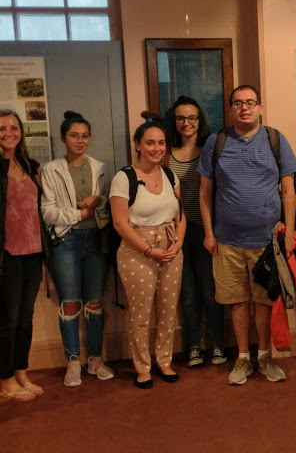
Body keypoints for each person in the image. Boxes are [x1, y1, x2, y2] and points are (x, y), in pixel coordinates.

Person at [198, 84, 296, 385]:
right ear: (231, 109)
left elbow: (289, 188)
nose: (245, 107)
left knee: (264, 302)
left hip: (268, 242)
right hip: (226, 241)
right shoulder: (216, 142)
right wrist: (208, 232)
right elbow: (204, 192)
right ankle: (243, 358)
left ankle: (265, 356)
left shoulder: (275, 140)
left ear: (260, 108)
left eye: (251, 102)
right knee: (237, 302)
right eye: (238, 103)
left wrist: (289, 233)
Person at [110, 112, 185, 389]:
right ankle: (142, 366)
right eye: (151, 143)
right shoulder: (124, 178)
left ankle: (164, 360)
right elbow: (120, 223)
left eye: (162, 143)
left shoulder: (170, 174)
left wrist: (178, 242)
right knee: (141, 312)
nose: (157, 149)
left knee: (167, 308)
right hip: (137, 249)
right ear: (138, 145)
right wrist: (148, 250)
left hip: (170, 246)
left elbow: (181, 215)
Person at [41, 111, 113, 387]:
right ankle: (73, 361)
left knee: (94, 302)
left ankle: (95, 359)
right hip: (66, 241)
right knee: (69, 303)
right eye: (74, 135)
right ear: (63, 138)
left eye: (84, 136)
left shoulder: (99, 166)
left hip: (95, 240)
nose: (80, 141)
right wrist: (81, 214)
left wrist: (97, 200)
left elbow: (106, 203)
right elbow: (49, 213)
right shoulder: (51, 169)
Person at [166, 96, 226, 367]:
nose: (186, 123)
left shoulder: (211, 149)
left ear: (199, 120)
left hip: (205, 228)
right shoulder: (165, 151)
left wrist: (212, 230)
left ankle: (217, 345)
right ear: (174, 121)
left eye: (192, 118)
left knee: (210, 290)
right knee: (187, 293)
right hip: (176, 232)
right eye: (181, 118)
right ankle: (193, 346)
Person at [0, 109, 50, 401]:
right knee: (6, 320)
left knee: (25, 318)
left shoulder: (29, 165)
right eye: (2, 128)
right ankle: (6, 381)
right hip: (6, 256)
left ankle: (21, 373)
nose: (8, 133)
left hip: (34, 253)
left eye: (14, 127)